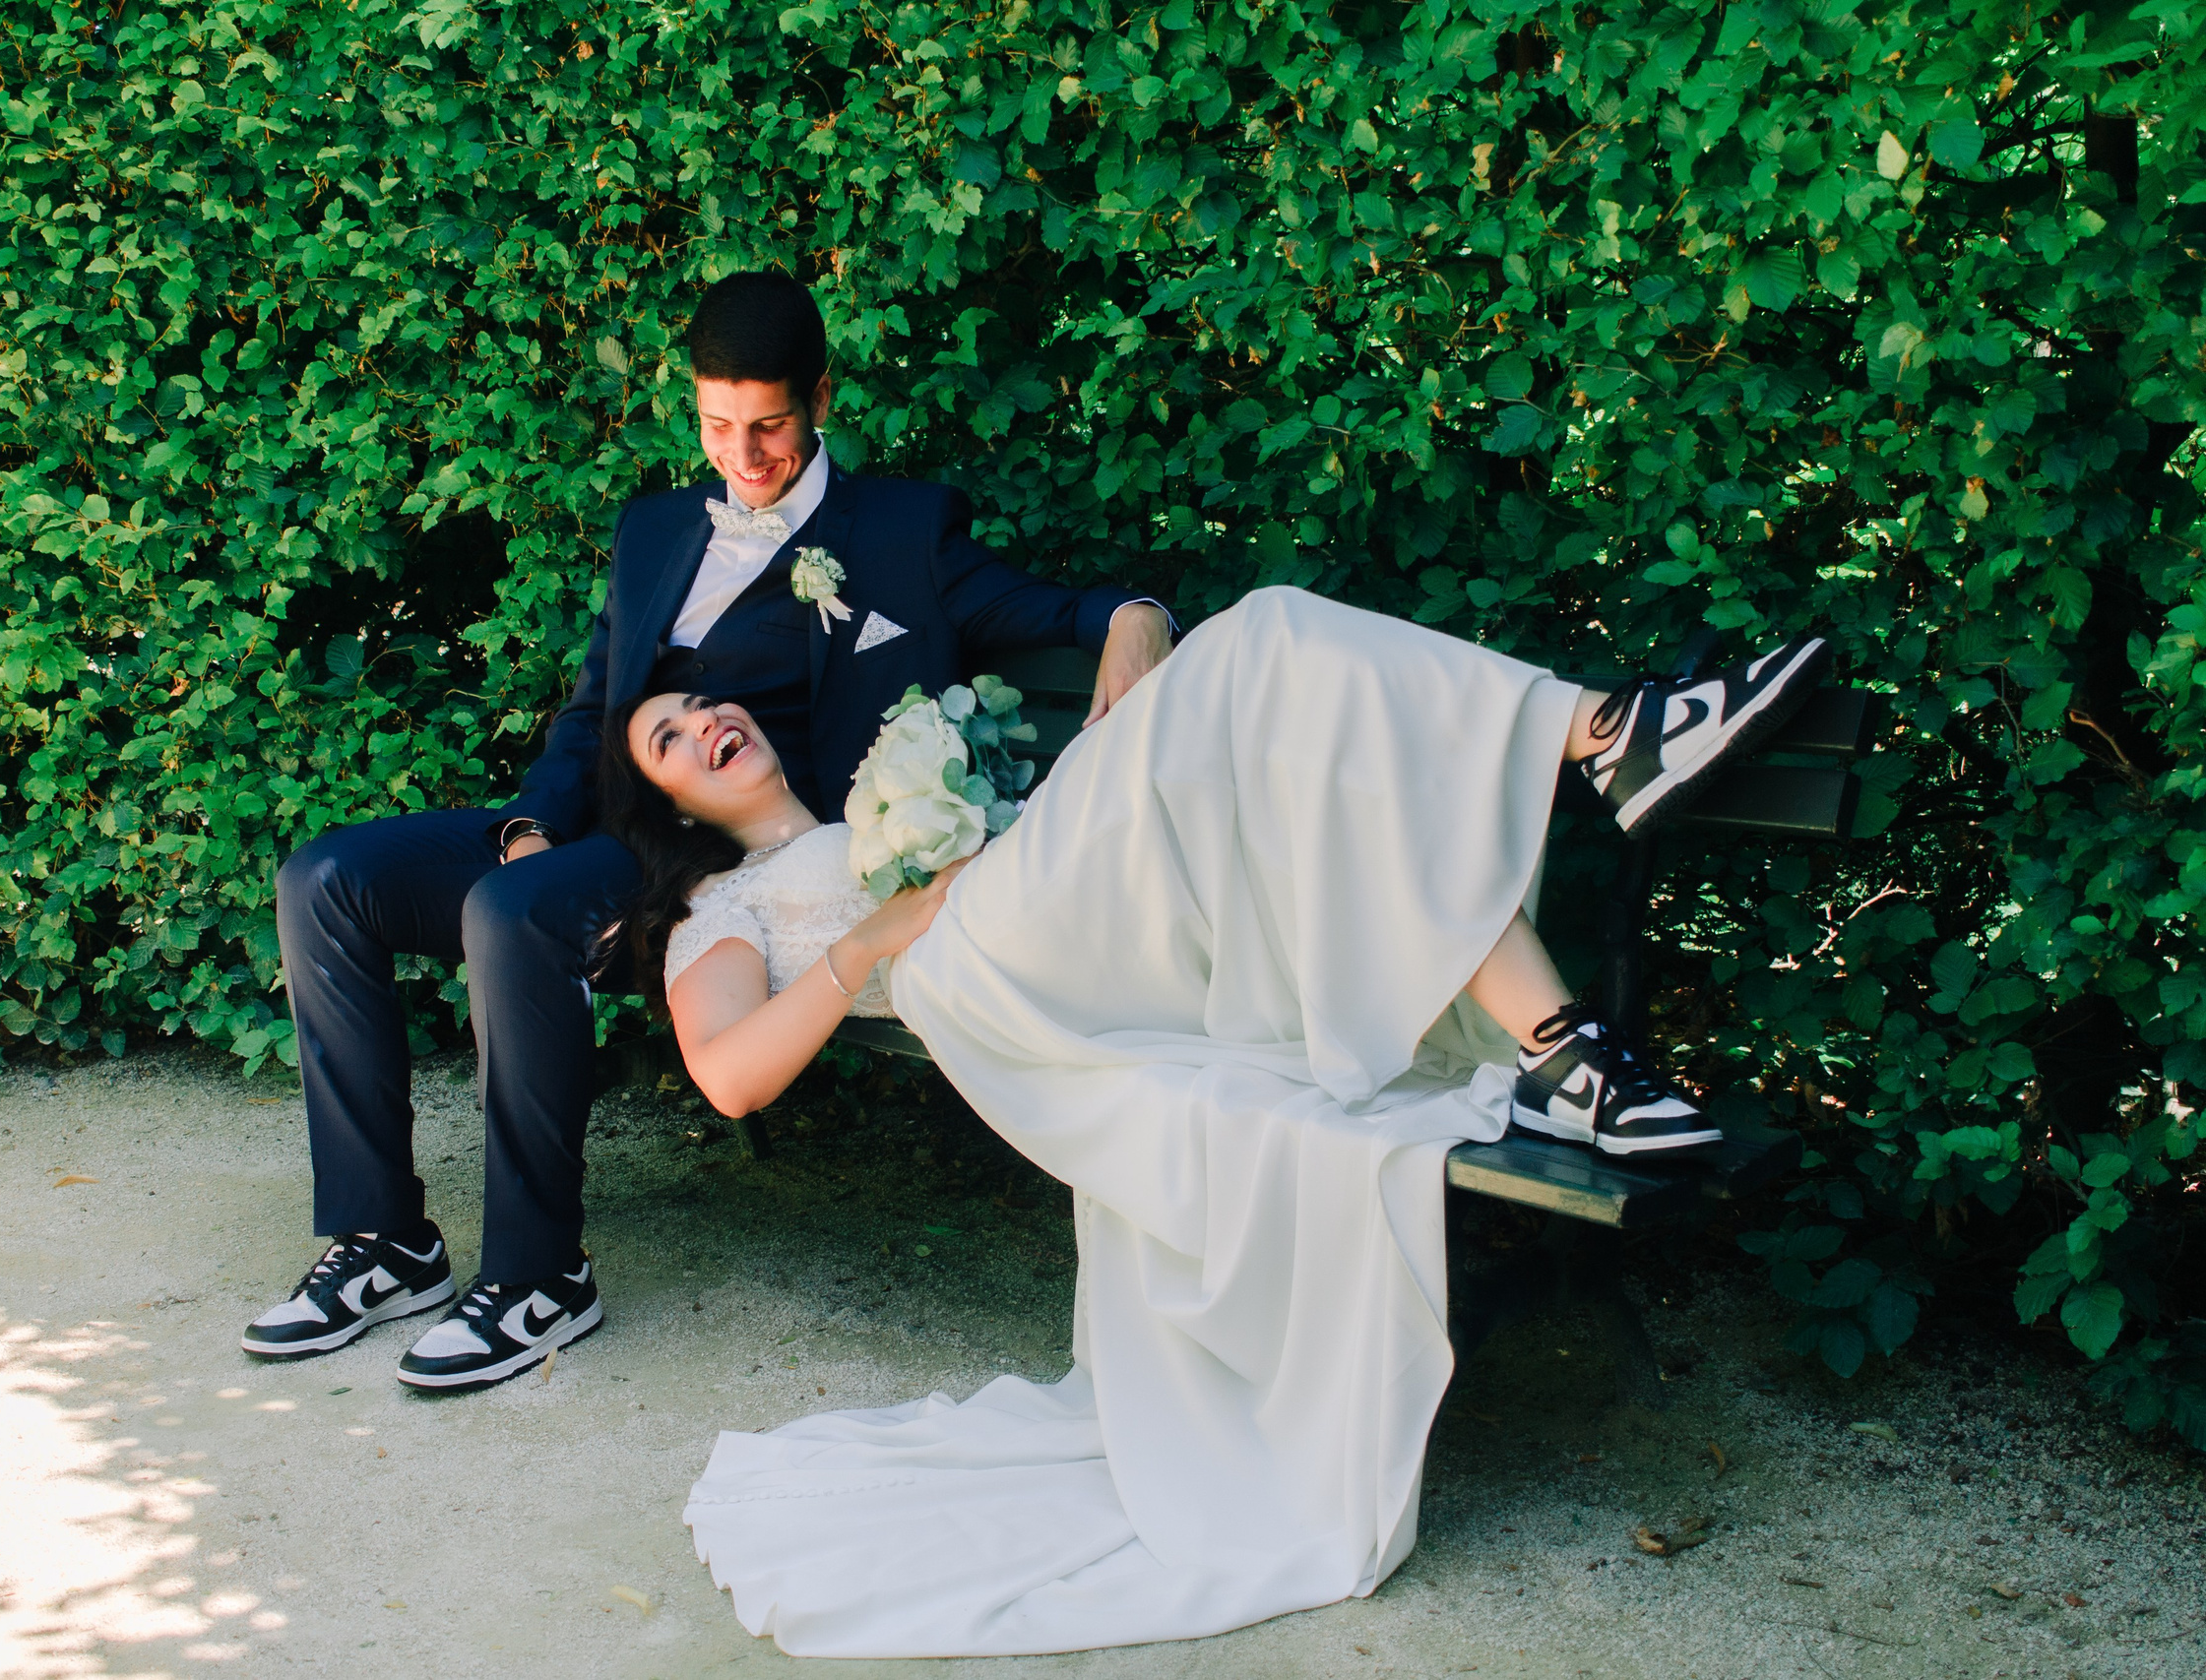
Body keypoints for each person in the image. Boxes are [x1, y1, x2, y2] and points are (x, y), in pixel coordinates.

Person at [602, 588, 1829, 1655]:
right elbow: (729, 1078)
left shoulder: (869, 800)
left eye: (706, 707)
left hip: (1060, 921)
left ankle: (1566, 1050)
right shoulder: (727, 902)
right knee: (1265, 635)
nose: (707, 723)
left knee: (1307, 742)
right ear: (665, 801)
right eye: (670, 736)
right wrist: (879, 930)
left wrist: (1130, 637)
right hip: (970, 972)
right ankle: (1610, 734)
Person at [242, 270, 1175, 1389]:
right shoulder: (653, 532)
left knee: (511, 914)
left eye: (770, 426)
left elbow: (1057, 609)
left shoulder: (901, 533)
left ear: (820, 398)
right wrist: (532, 824)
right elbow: (594, 705)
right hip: (593, 826)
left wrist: (1137, 616)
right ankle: (387, 1238)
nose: (743, 455)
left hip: (719, 853)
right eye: (717, 426)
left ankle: (541, 1276)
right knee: (325, 877)